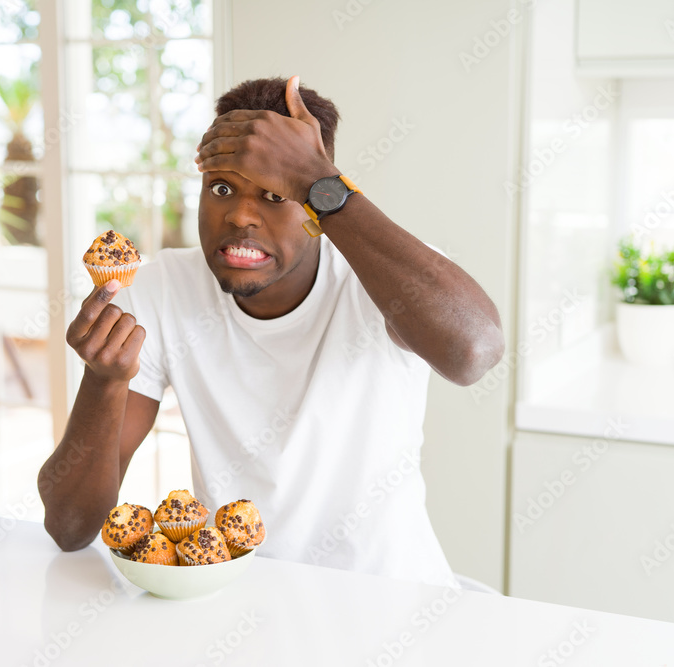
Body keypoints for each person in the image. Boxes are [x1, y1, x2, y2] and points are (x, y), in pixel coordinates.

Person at [38, 75, 504, 588]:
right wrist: (103, 382)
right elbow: (70, 526)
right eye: (221, 188)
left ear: (317, 202)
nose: (239, 214)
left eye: (276, 193)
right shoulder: (160, 291)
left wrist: (319, 182)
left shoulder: (382, 279)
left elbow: (475, 352)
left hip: (391, 604)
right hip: (244, 607)